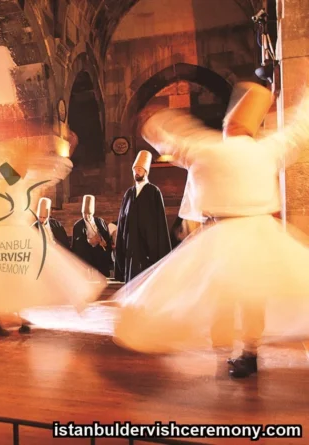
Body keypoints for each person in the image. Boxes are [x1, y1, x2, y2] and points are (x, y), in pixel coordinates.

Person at [112, 81, 309, 378]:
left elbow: (174, 142)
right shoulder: (267, 149)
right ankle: (248, 351)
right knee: (252, 297)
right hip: (260, 232)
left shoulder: (211, 149)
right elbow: (298, 131)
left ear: (231, 125)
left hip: (225, 232)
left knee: (215, 290)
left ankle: (226, 344)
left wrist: (152, 120)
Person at [0, 152, 106, 336]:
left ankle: (11, 315)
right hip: (8, 236)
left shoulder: (19, 184)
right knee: (13, 278)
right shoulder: (7, 183)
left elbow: (51, 173)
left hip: (16, 234)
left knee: (18, 279)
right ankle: (1, 316)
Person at [114, 150, 172, 283]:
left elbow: (160, 224)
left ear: (146, 171)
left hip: (148, 251)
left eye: (140, 169)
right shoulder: (128, 194)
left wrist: (160, 254)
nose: (137, 172)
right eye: (135, 169)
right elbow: (122, 222)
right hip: (131, 250)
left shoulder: (154, 192)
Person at [71, 195, 113, 279]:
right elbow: (77, 244)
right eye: (84, 214)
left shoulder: (100, 221)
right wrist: (89, 241)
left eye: (89, 214)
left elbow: (106, 237)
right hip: (87, 252)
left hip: (99, 250)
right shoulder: (78, 225)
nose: (87, 216)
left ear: (93, 212)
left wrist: (104, 242)